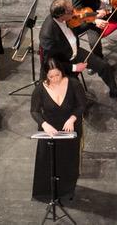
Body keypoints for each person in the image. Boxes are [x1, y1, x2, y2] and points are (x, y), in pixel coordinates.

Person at [31, 57, 86, 202]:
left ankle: (66, 191)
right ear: (46, 75)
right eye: (51, 76)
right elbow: (34, 111)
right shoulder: (40, 89)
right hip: (49, 130)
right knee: (47, 161)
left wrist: (72, 118)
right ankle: (45, 193)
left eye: (58, 75)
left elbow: (81, 105)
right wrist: (44, 124)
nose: (55, 79)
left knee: (68, 160)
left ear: (62, 72)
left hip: (69, 128)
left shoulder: (74, 84)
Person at [40, 0, 117, 96]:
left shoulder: (67, 18)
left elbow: (80, 21)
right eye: (71, 11)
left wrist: (94, 19)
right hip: (63, 64)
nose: (75, 12)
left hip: (74, 52)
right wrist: (74, 67)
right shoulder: (48, 35)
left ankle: (115, 92)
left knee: (104, 66)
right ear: (62, 15)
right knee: (76, 89)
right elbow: (50, 63)